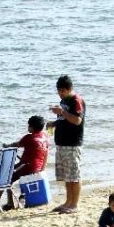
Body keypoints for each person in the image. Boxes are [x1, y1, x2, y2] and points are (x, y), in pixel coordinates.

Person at [46, 75, 85, 214]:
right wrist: (53, 123)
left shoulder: (76, 100)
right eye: (58, 90)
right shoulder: (63, 101)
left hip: (72, 144)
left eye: (62, 91)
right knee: (67, 176)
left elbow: (77, 120)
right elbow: (64, 120)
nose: (60, 93)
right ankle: (68, 202)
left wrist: (62, 111)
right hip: (61, 143)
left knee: (74, 175)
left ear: (70, 89)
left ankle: (74, 204)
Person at [0, 115, 49, 209]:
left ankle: (10, 204)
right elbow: (46, 153)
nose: (27, 127)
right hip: (38, 168)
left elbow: (16, 145)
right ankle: (22, 196)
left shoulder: (29, 137)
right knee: (15, 173)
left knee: (7, 178)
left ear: (32, 127)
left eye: (28, 125)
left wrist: (6, 145)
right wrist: (43, 169)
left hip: (26, 167)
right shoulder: (45, 137)